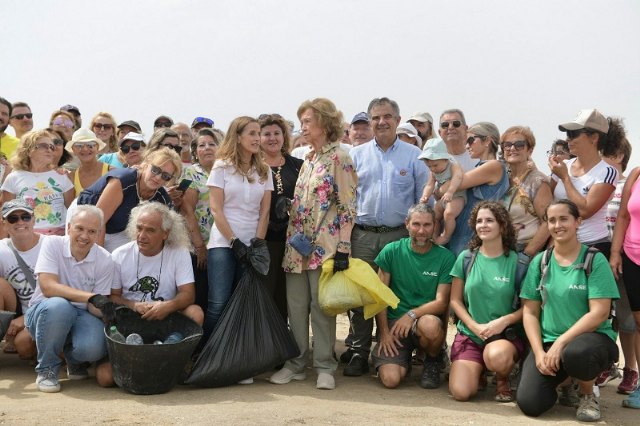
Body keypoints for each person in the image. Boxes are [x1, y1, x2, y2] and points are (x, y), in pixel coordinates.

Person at [270, 98, 356, 390]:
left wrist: (344, 248)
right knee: (295, 308)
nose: (303, 127)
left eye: (307, 121)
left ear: (324, 123)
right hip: (296, 246)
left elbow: (346, 206)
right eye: (302, 122)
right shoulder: (306, 158)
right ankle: (295, 363)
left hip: (325, 246)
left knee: (321, 308)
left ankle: (324, 365)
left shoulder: (340, 157)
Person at [341, 97, 427, 377]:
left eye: (387, 116)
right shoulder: (356, 155)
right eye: (375, 117)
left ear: (398, 120)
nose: (381, 122)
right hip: (363, 235)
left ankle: (390, 350)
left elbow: (422, 201)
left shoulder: (414, 156)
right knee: (362, 296)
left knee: (392, 295)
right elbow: (347, 200)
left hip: (399, 236)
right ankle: (358, 351)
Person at [518, 199, 619, 422]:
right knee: (530, 404)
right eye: (552, 220)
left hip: (590, 340)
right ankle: (566, 382)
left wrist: (561, 343)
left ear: (578, 222)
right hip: (550, 342)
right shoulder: (541, 261)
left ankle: (587, 394)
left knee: (577, 353)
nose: (557, 225)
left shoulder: (594, 259)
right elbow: (530, 312)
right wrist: (538, 353)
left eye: (564, 219)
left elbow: (599, 313)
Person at [96, 202, 204, 387]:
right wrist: (134, 306)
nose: (142, 236)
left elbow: (188, 295)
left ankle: (174, 360)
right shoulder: (120, 254)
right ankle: (152, 367)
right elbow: (112, 297)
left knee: (195, 312)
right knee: (105, 378)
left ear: (165, 234)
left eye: (150, 230)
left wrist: (167, 306)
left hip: (166, 321)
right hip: (130, 323)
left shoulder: (179, 253)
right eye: (139, 228)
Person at [25, 205, 115, 393]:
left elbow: (93, 308)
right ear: (68, 228)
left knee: (93, 347)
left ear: (99, 234)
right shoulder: (52, 244)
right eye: (79, 228)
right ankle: (47, 369)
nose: (84, 236)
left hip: (81, 313)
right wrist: (91, 297)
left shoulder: (105, 259)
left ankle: (74, 361)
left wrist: (107, 310)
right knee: (60, 306)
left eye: (91, 231)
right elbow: (48, 287)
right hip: (44, 311)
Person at [202, 116, 273, 342]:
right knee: (218, 302)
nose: (257, 138)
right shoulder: (221, 167)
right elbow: (216, 209)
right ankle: (206, 357)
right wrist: (234, 241)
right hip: (223, 244)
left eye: (258, 133)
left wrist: (257, 245)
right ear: (238, 136)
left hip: (251, 245)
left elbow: (265, 213)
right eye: (252, 133)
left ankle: (237, 359)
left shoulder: (264, 170)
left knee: (244, 303)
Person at [448, 201, 526, 402]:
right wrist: (473, 326)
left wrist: (504, 321)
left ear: (502, 225)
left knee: (497, 356)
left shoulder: (519, 262)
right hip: (470, 335)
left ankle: (502, 378)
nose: (483, 225)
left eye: (490, 220)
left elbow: (528, 309)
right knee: (461, 392)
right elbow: (455, 301)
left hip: (503, 338)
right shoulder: (466, 258)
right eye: (479, 221)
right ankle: (478, 371)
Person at [372, 203, 454, 389]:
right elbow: (380, 297)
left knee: (430, 326)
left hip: (423, 320)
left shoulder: (445, 258)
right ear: (407, 224)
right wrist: (384, 333)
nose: (421, 231)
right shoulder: (391, 251)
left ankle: (432, 360)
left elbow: (442, 303)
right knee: (391, 380)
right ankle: (402, 360)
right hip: (394, 323)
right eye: (416, 224)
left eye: (427, 225)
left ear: (435, 226)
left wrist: (411, 315)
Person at [550, 108, 626, 258]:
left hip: (593, 246)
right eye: (567, 134)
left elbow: (585, 211)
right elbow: (548, 204)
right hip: (560, 245)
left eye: (573, 134)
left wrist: (565, 178)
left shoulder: (607, 172)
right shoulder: (562, 166)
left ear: (594, 137)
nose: (568, 139)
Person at [77, 148, 178, 252]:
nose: (158, 177)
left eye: (165, 176)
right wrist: (99, 258)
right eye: (155, 170)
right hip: (87, 218)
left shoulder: (162, 198)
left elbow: (168, 236)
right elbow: (98, 221)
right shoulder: (123, 181)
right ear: (146, 164)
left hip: (117, 229)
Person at [597, 137, 637, 394]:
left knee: (627, 318)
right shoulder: (599, 183)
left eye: (607, 151)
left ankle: (630, 369)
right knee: (601, 314)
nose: (601, 155)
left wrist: (618, 252)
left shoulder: (627, 183)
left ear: (620, 154)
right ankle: (604, 364)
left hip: (624, 256)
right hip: (600, 254)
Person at [259, 113, 303, 322]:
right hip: (263, 239)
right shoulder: (252, 166)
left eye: (277, 133)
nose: (272, 138)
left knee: (287, 295)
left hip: (293, 241)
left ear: (284, 136)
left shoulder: (298, 165)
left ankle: (284, 341)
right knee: (265, 292)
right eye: (266, 134)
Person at [442, 122, 509, 256]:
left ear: (488, 140)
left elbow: (448, 187)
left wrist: (441, 187)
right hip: (462, 235)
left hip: (473, 240)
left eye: (471, 140)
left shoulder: (494, 166)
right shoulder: (479, 167)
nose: (467, 145)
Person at [2, 130, 74, 236]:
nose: (49, 150)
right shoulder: (13, 178)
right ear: (29, 150)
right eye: (44, 146)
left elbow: (72, 211)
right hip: (25, 238)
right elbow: (7, 216)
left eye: (51, 147)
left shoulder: (62, 176)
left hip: (58, 239)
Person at [610, 165, 640, 408]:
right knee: (639, 324)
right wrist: (615, 252)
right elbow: (623, 216)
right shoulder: (636, 174)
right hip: (632, 258)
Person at [180, 128, 219, 313]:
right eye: (202, 145)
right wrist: (200, 247)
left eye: (212, 144)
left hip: (222, 243)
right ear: (195, 151)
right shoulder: (190, 174)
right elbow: (187, 211)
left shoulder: (226, 171)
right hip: (199, 247)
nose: (207, 148)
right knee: (202, 296)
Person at [500, 126, 553, 257]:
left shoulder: (537, 181)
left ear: (530, 150)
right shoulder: (499, 178)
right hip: (498, 251)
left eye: (519, 145)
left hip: (523, 251)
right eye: (507, 145)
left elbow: (548, 221)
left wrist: (527, 254)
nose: (512, 148)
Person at [0, 199, 43, 359]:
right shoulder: (2, 248)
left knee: (24, 347)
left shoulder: (51, 245)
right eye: (13, 218)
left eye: (25, 217)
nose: (20, 222)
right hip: (17, 310)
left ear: (33, 219)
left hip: (49, 308)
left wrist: (27, 318)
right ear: (4, 224)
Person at [419, 137, 465, 245]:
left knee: (449, 214)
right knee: (434, 216)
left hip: (457, 196)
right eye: (429, 166)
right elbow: (430, 185)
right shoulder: (433, 172)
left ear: (445, 159)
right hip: (443, 199)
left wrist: (450, 191)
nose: (433, 169)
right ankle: (434, 235)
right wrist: (425, 196)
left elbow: (457, 178)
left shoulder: (453, 165)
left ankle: (445, 236)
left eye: (435, 165)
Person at [66, 128, 110, 196]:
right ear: (73, 150)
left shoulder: (111, 172)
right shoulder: (72, 177)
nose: (85, 149)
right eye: (79, 145)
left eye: (90, 145)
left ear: (97, 148)